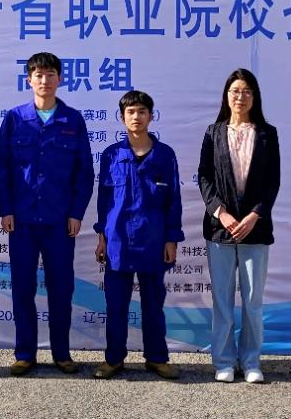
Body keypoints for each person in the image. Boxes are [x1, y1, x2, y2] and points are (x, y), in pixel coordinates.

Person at [0, 52, 94, 376]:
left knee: (61, 289)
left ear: (60, 79)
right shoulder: (14, 119)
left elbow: (84, 172)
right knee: (22, 288)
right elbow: (1, 168)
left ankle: (61, 354)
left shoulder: (72, 120)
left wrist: (76, 212)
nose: (44, 80)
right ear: (29, 80)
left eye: (50, 74)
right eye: (38, 75)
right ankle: (25, 353)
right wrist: (6, 209)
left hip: (59, 221)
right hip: (22, 220)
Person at [93, 90, 184, 380]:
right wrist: (102, 236)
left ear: (151, 116)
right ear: (122, 118)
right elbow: (104, 200)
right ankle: (114, 359)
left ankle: (157, 358)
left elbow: (173, 200)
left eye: (142, 111)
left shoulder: (165, 155)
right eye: (131, 112)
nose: (136, 117)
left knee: (153, 305)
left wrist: (171, 238)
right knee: (116, 305)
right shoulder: (112, 155)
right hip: (118, 241)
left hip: (153, 241)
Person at [197, 68, 280, 384]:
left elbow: (273, 181)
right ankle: (223, 361)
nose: (240, 97)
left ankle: (251, 361)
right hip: (220, 229)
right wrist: (221, 213)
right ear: (226, 96)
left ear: (254, 97)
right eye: (235, 91)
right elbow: (204, 177)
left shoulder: (267, 134)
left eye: (246, 91)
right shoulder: (213, 132)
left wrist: (254, 215)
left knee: (253, 300)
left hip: (255, 229)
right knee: (222, 299)